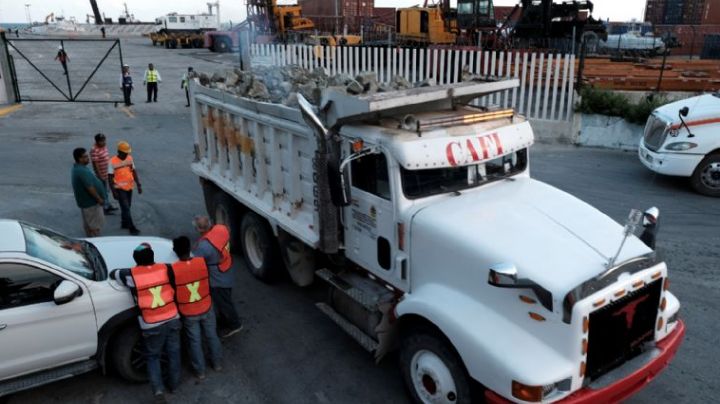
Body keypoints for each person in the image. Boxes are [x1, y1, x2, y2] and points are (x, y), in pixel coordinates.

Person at [110, 243, 181, 400]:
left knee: (153, 356)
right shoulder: (165, 268)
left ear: (135, 260)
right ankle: (174, 385)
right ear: (153, 256)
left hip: (152, 323)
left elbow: (114, 273)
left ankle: (158, 391)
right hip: (172, 318)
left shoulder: (131, 275)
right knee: (174, 352)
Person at [171, 236, 223, 379]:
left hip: (188, 312)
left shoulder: (173, 269)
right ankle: (217, 363)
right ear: (190, 248)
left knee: (195, 341)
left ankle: (200, 372)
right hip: (206, 305)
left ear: (175, 251)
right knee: (212, 336)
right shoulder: (201, 263)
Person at [192, 215, 243, 338]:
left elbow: (196, 263)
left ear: (199, 230)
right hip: (226, 269)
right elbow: (227, 231)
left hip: (217, 279)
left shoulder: (203, 246)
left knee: (224, 302)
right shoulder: (221, 229)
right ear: (210, 224)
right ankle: (225, 319)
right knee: (225, 299)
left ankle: (234, 325)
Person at [71, 147, 107, 237]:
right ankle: (96, 243)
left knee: (89, 225)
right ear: (80, 159)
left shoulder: (78, 168)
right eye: (85, 157)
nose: (88, 158)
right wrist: (99, 199)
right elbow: (90, 187)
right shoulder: (81, 171)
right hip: (91, 204)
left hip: (87, 204)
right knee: (94, 227)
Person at [109, 141, 142, 235]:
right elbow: (110, 177)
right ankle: (131, 227)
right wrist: (113, 191)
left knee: (127, 207)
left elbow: (133, 171)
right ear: (119, 151)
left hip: (129, 187)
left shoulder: (129, 158)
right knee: (126, 208)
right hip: (119, 189)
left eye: (127, 152)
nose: (127, 154)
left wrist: (138, 184)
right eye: (125, 152)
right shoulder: (112, 161)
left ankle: (124, 223)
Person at [90, 133, 118, 215]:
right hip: (101, 174)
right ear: (97, 141)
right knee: (103, 191)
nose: (104, 142)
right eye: (102, 141)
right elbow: (95, 164)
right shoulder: (94, 150)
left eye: (104, 140)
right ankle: (104, 208)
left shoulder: (103, 146)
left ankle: (107, 205)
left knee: (106, 190)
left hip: (107, 172)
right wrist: (100, 175)